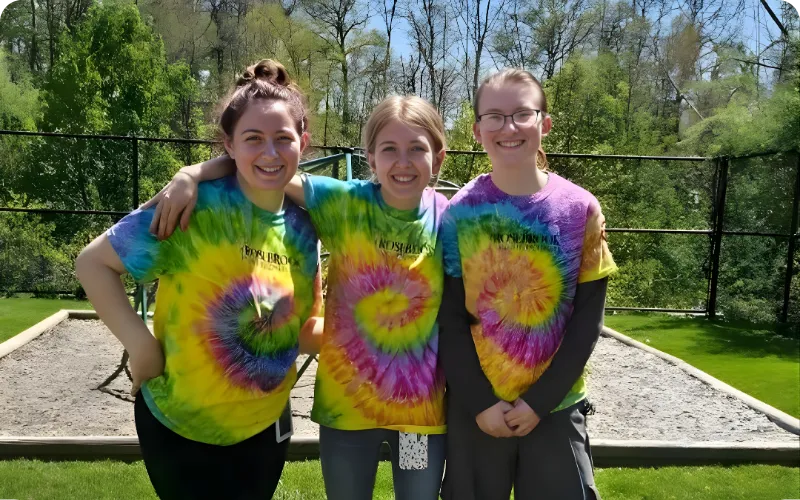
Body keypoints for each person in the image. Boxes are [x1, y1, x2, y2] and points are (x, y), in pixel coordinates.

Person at [143, 95, 450, 500]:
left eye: (417, 149)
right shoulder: (345, 203)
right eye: (389, 149)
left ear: (439, 157)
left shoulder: (450, 218)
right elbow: (265, 168)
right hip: (346, 413)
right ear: (371, 158)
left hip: (418, 418)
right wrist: (192, 173)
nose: (403, 161)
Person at [76, 59, 323, 500]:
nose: (270, 152)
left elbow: (304, 330)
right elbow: (93, 264)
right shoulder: (193, 206)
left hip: (265, 429)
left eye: (283, 139)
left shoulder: (306, 229)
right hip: (179, 425)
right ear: (228, 144)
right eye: (253, 139)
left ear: (302, 143)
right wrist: (141, 344)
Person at [438, 68, 617, 500]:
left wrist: (540, 402)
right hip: (478, 411)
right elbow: (450, 320)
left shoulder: (580, 210)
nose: (509, 127)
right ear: (478, 130)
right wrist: (481, 403)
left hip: (555, 406)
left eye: (523, 113)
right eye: (494, 116)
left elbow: (586, 323)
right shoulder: (459, 214)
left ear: (545, 124)